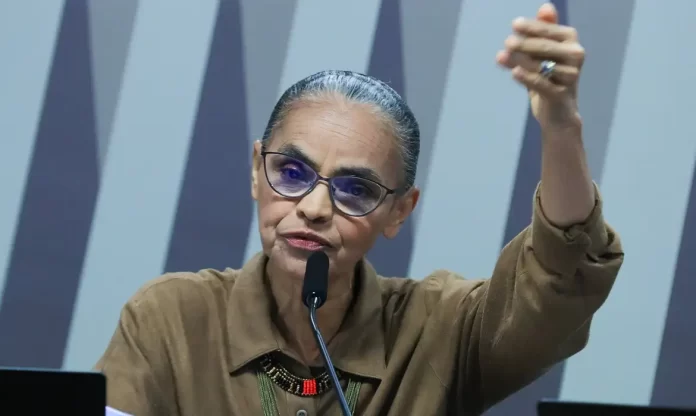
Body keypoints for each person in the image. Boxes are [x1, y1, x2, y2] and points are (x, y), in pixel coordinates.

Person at [95, 3, 624, 415]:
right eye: (292, 173)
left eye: (355, 189)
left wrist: (561, 127)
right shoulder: (172, 320)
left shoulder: (439, 331)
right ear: (257, 171)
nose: (315, 207)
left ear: (399, 212)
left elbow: (556, 280)